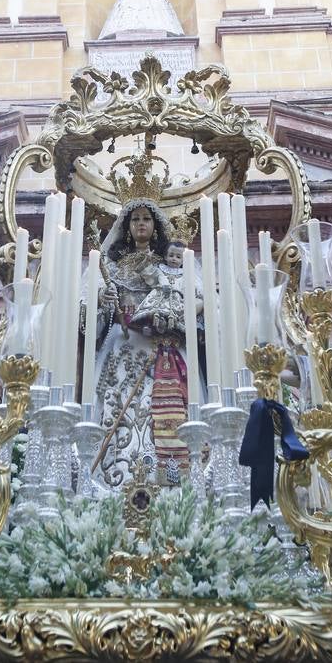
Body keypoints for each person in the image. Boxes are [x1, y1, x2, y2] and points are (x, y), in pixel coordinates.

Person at [92, 201, 202, 489]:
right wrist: (104, 302)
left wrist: (173, 315)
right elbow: (94, 315)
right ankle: (118, 478)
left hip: (163, 346)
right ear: (127, 227)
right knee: (120, 408)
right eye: (135, 219)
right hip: (125, 346)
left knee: (168, 410)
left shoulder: (169, 264)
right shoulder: (113, 266)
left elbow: (191, 297)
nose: (141, 223)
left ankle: (172, 481)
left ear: (155, 226)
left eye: (146, 219)